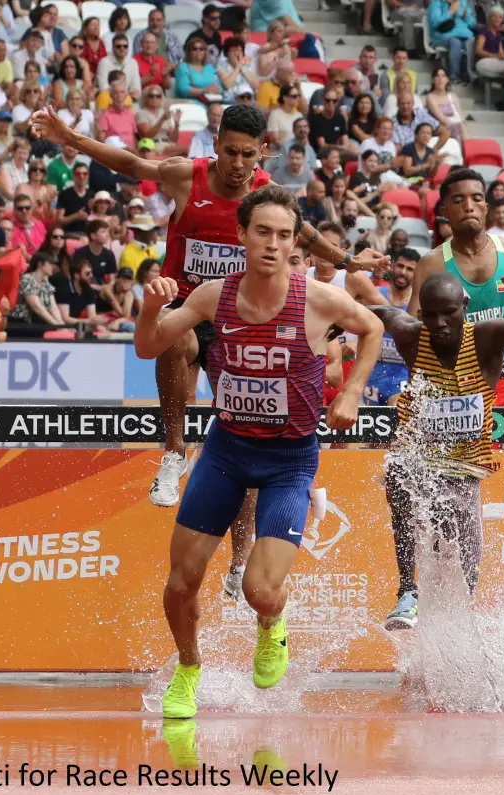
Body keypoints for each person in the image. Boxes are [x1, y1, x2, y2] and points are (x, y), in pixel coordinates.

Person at [30, 102, 390, 600]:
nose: (237, 163)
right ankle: (175, 453)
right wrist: (70, 136)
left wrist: (350, 260)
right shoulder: (186, 177)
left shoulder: (267, 195)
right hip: (190, 306)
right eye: (229, 152)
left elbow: (304, 235)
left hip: (238, 322)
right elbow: (133, 165)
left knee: (244, 428)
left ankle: (240, 559)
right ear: (214, 146)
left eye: (247, 154)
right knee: (174, 341)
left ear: (262, 151)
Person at [143, 185, 384, 720]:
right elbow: (148, 345)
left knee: (260, 591)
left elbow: (373, 327)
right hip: (227, 451)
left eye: (283, 235)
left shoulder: (318, 299)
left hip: (289, 461)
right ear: (242, 236)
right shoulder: (212, 295)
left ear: (294, 241)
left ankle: (272, 626)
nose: (272, 245)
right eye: (262, 233)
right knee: (180, 584)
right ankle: (188, 669)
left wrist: (350, 392)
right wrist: (149, 308)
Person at [371, 268, 504, 629]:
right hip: (421, 462)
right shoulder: (411, 336)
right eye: (430, 314)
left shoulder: (487, 336)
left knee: (462, 583)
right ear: (421, 315)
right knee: (399, 471)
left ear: (464, 305)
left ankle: (455, 629)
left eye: (448, 312)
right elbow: (379, 312)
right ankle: (408, 590)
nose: (440, 323)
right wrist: (334, 315)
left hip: (466, 473)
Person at [410, 168, 504, 410]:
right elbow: (414, 329)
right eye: (458, 200)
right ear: (444, 212)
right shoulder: (431, 264)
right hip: (459, 385)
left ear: (485, 207)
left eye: (476, 199)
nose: (468, 206)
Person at [364, 248, 418, 404]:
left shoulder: (419, 303)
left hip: (403, 380)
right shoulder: (373, 294)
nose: (403, 272)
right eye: (400, 266)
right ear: (392, 267)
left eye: (409, 269)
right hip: (373, 378)